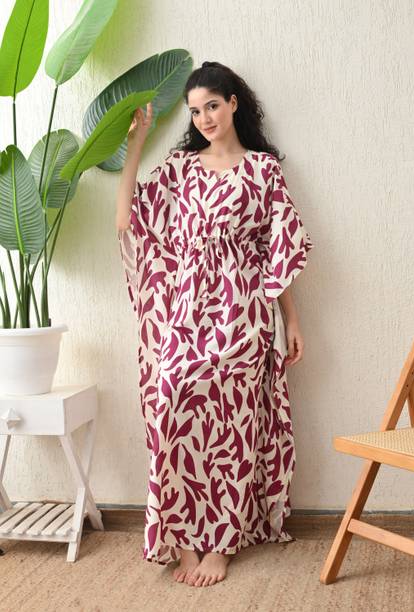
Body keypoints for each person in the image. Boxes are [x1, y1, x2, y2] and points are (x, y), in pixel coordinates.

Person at [116, 60, 315, 588]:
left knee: (234, 423)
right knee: (169, 403)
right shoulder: (180, 170)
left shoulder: (264, 170)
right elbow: (127, 221)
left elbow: (278, 253)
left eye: (212, 105)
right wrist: (136, 145)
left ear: (233, 104)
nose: (204, 117)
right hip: (186, 313)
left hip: (243, 312)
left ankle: (223, 544)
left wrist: (292, 321)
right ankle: (183, 539)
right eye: (195, 111)